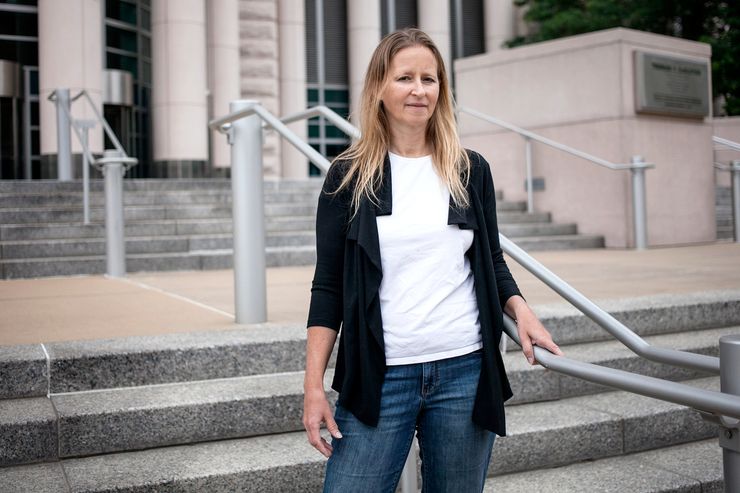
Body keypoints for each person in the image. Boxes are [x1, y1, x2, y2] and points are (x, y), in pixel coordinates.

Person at [303, 27, 563, 493]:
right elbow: (328, 288)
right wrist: (314, 386)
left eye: (430, 79)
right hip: (379, 377)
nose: (419, 90)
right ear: (380, 88)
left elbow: (491, 261)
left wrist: (520, 310)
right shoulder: (347, 177)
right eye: (405, 78)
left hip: (464, 370)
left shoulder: (468, 169)